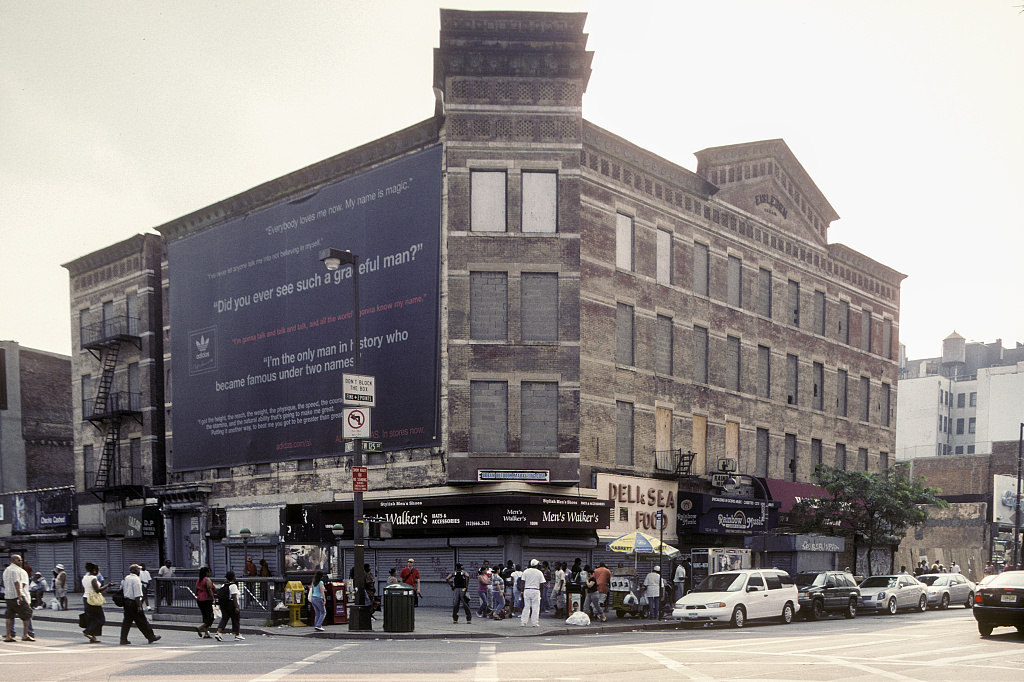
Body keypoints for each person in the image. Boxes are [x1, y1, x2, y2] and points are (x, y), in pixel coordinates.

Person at [119, 564, 161, 645]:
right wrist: (139, 605)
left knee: (127, 622)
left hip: (127, 602)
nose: (139, 572)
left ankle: (123, 639)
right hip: (134, 602)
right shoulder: (136, 579)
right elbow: (137, 594)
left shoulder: (126, 578)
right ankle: (151, 636)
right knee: (142, 621)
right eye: (138, 570)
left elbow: (123, 589)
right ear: (134, 571)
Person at [4, 555, 33, 642]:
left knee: (9, 615)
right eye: (18, 560)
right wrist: (20, 596)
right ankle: (25, 634)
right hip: (16, 596)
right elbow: (17, 583)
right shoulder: (16, 570)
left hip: (8, 596)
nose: (20, 562)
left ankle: (8, 636)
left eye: (21, 560)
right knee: (27, 613)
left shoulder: (6, 570)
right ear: (13, 560)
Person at [81, 561, 110, 643]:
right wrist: (108, 585)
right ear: (94, 571)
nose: (98, 572)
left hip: (86, 598)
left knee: (92, 618)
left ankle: (92, 637)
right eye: (98, 570)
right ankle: (88, 631)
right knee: (101, 619)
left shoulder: (85, 577)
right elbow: (98, 590)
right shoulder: (93, 578)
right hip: (92, 599)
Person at [214, 570, 244, 641]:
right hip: (231, 604)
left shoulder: (224, 585)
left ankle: (219, 633)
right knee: (235, 619)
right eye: (235, 576)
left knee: (224, 619)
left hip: (224, 604)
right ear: (233, 577)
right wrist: (236, 607)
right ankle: (237, 634)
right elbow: (234, 597)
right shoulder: (233, 586)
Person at [521, 559, 544, 627]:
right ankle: (535, 623)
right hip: (536, 590)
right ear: (536, 565)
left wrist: (522, 591)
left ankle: (523, 622)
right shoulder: (539, 572)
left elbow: (523, 582)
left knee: (526, 607)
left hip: (527, 590)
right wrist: (540, 591)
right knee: (535, 607)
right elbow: (542, 583)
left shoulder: (525, 571)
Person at [194, 567, 216, 639]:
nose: (210, 573)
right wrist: (213, 599)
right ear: (206, 572)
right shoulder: (207, 579)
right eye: (209, 572)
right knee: (211, 616)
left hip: (200, 598)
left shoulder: (198, 580)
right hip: (207, 599)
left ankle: (206, 633)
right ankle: (200, 627)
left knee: (205, 615)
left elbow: (196, 589)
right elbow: (209, 590)